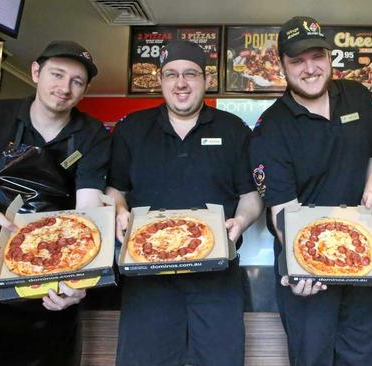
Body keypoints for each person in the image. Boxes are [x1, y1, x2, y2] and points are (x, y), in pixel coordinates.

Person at [106, 41, 262, 366]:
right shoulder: (131, 130)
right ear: (160, 81)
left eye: (190, 74)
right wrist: (119, 211)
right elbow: (115, 189)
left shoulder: (233, 129)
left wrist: (241, 222)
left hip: (217, 275)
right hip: (146, 276)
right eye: (171, 74)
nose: (181, 83)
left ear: (205, 80)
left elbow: (250, 197)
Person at [249, 16, 372, 366]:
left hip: (363, 257)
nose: (310, 68)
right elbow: (282, 209)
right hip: (309, 266)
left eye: (317, 57)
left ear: (330, 58)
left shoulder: (356, 94)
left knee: (360, 356)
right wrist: (301, 264)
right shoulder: (271, 127)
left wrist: (371, 192)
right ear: (282, 66)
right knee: (313, 358)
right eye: (297, 60)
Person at [0, 40, 109, 366]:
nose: (65, 88)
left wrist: (78, 281)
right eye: (57, 74)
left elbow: (88, 209)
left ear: (85, 90)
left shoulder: (93, 135)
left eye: (76, 81)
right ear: (36, 72)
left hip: (53, 277)